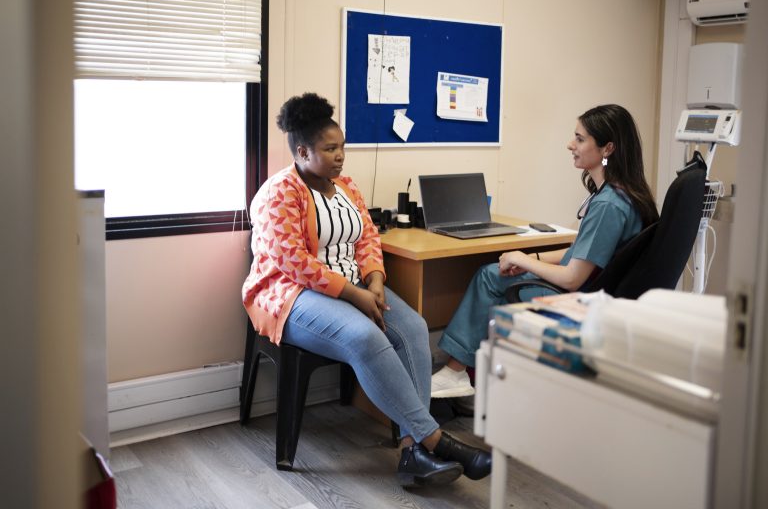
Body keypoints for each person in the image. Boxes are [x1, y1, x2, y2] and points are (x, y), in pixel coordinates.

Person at [242, 93, 491, 487]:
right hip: (292, 296)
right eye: (330, 148)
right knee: (363, 335)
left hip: (356, 285)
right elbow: (294, 262)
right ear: (303, 151)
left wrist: (374, 280)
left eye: (342, 147)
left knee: (413, 328)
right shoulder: (279, 193)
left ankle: (413, 449)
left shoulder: (346, 186)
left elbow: (367, 237)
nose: (341, 156)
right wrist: (354, 294)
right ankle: (435, 440)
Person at [431, 104, 659, 398]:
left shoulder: (608, 206)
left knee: (489, 277)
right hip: (599, 291)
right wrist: (530, 260)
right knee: (498, 272)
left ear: (608, 148)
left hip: (580, 299)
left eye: (579, 139)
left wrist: (524, 260)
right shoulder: (622, 194)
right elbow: (583, 252)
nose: (570, 145)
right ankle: (466, 376)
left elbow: (572, 278)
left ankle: (457, 373)